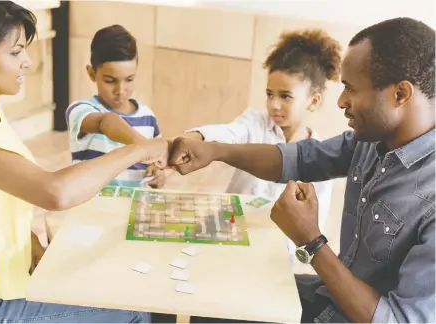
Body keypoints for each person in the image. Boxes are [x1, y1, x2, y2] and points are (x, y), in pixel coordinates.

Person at [169, 17, 435, 323]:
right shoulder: (371, 141)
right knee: (214, 302)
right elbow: (300, 159)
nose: (341, 101)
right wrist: (216, 151)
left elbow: (399, 320)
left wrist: (311, 241)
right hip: (327, 298)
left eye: (350, 88)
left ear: (400, 94)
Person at [0, 1, 165, 322]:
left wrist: (31, 244)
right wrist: (138, 150)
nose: (28, 62)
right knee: (134, 311)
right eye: (16, 52)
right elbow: (55, 192)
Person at [180, 29, 340, 258]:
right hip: (228, 234)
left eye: (285, 96)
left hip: (274, 253)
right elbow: (229, 133)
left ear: (312, 101)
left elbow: (316, 224)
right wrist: (194, 140)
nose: (274, 104)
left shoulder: (322, 155)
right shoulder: (254, 123)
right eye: (269, 94)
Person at [65, 25, 166, 189]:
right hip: (92, 209)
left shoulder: (148, 118)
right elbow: (106, 122)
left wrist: (157, 173)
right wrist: (143, 145)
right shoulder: (81, 110)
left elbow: (155, 162)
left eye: (129, 79)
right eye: (110, 81)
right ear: (92, 73)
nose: (120, 90)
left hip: (132, 208)